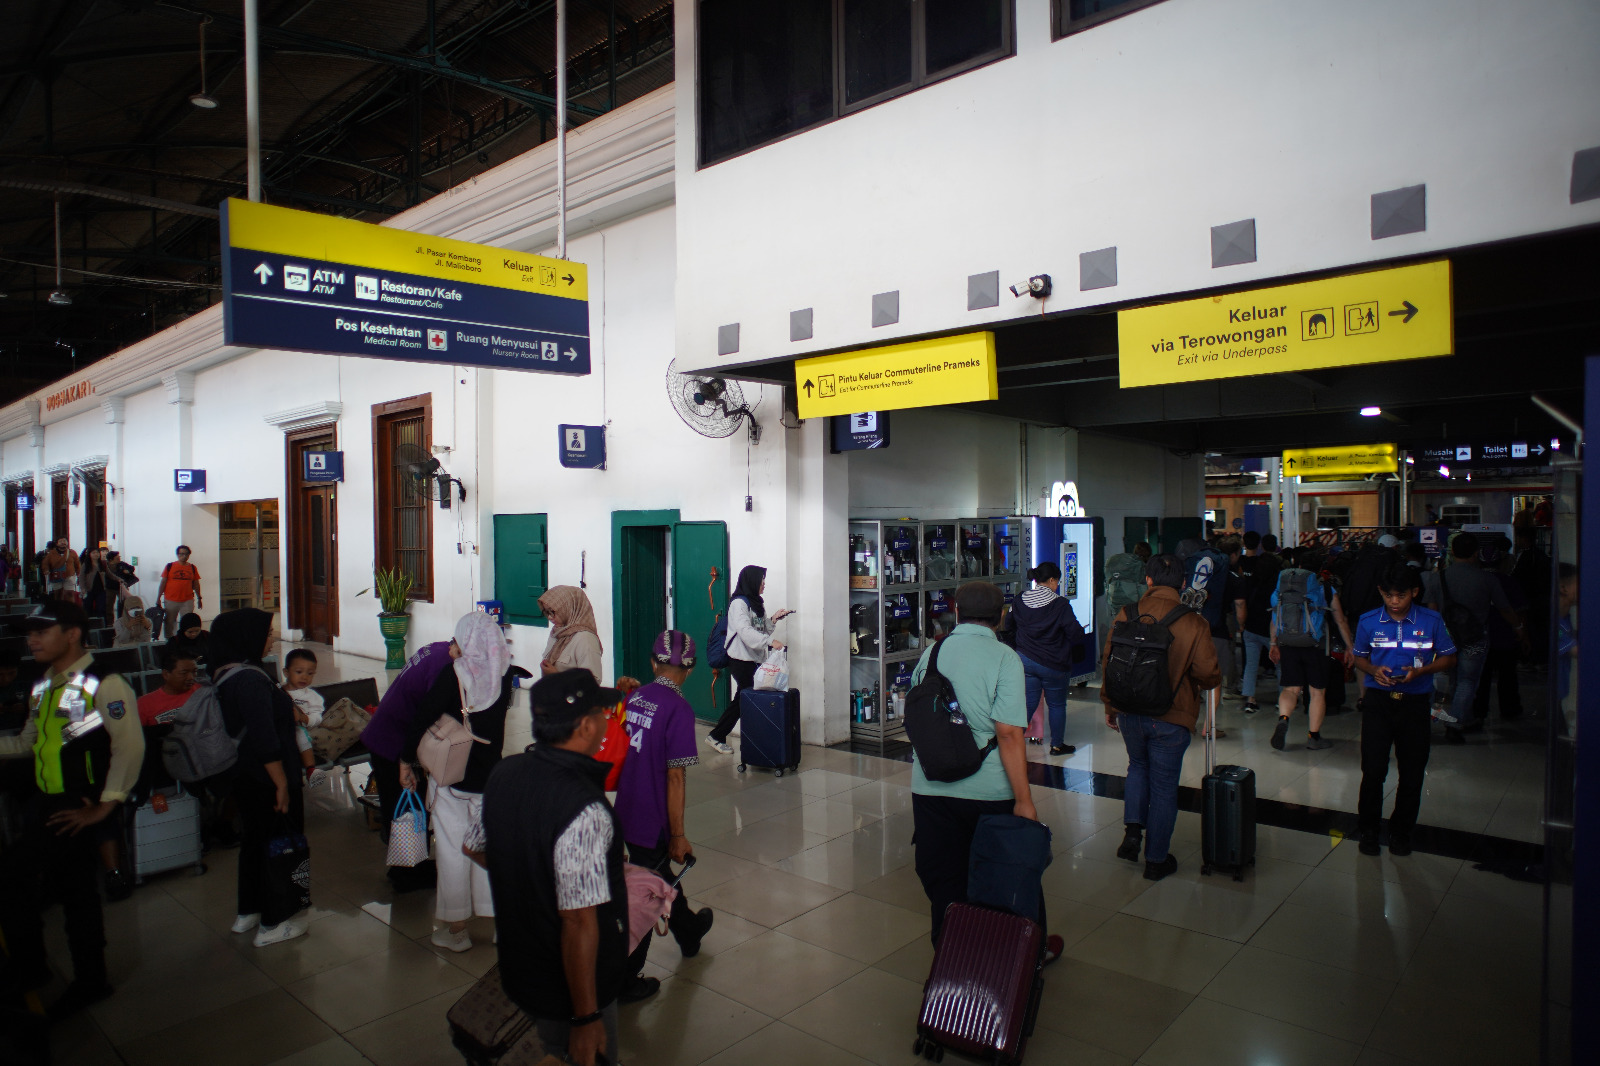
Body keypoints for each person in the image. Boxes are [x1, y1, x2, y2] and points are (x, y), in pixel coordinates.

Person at [0, 601, 142, 1017]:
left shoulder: (104, 683)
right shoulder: (44, 684)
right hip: (46, 801)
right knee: (75, 893)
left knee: (16, 882)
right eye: (30, 632)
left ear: (74, 634)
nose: (32, 640)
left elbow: (129, 747)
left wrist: (106, 806)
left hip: (74, 807)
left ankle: (38, 972)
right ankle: (86, 979)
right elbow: (30, 741)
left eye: (42, 631)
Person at [484, 668, 630, 1066]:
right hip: (569, 987)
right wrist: (586, 1018)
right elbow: (579, 922)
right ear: (585, 726)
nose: (606, 720)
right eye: (602, 713)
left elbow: (476, 845)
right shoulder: (584, 808)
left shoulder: (504, 773)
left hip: (520, 966)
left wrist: (531, 877)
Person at [909, 581, 1060, 963]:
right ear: (1002, 616)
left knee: (945, 882)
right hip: (989, 793)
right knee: (1008, 875)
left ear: (956, 613)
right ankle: (1022, 956)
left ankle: (951, 962)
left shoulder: (932, 652)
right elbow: (1009, 733)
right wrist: (1025, 800)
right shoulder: (1005, 658)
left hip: (931, 787)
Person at [1102, 554, 1220, 881]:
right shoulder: (1194, 622)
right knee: (1165, 787)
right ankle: (1155, 860)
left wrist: (1110, 706)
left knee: (1137, 767)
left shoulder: (1127, 613)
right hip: (1172, 716)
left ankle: (1133, 831)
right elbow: (1209, 674)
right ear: (1183, 583)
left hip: (1129, 711)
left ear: (1149, 581)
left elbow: (1109, 662)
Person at [409, 612, 519, 954]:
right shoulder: (506, 675)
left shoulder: (452, 675)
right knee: (491, 849)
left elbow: (421, 718)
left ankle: (456, 930)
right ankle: (503, 925)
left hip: (451, 776)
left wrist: (405, 760)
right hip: (490, 780)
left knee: (453, 848)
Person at [615, 630, 716, 993]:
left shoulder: (638, 695)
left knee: (658, 875)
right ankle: (626, 978)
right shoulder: (679, 709)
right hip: (653, 818)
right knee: (648, 891)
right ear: (690, 670)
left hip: (625, 808)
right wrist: (677, 834)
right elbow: (675, 776)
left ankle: (689, 931)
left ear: (653, 662)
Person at [212, 608, 308, 947]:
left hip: (245, 776)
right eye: (267, 632)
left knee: (254, 842)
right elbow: (265, 739)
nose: (272, 637)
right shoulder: (251, 680)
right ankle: (275, 921)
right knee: (279, 845)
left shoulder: (225, 672)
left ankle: (249, 911)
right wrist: (282, 783)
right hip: (268, 779)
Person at [1352, 564, 1457, 856]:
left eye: (1400, 595)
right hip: (1378, 703)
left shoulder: (1432, 620)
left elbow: (1449, 659)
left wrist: (1420, 673)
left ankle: (1401, 833)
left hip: (1414, 704)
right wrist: (1374, 669)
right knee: (1373, 771)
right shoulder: (1368, 621)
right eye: (1388, 595)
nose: (1394, 601)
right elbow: (1359, 658)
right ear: (1380, 593)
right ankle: (1369, 831)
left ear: (1414, 592)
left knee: (1412, 773)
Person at [360, 638, 458, 890]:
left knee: (411, 807)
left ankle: (414, 864)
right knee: (404, 808)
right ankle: (405, 874)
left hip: (388, 734)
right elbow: (431, 714)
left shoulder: (439, 648)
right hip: (391, 741)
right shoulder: (443, 666)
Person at [1434, 532, 1523, 740]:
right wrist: (1518, 627)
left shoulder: (1438, 577)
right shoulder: (1486, 579)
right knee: (1468, 680)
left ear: (1453, 552)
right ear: (1475, 553)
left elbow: (1432, 610)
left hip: (1447, 637)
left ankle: (1461, 717)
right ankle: (1456, 723)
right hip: (1475, 638)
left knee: (1455, 679)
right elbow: (1504, 608)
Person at [1268, 561, 1355, 752]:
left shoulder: (1281, 587)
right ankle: (1313, 737)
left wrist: (1273, 643)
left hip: (1288, 643)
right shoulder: (1325, 588)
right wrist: (1350, 646)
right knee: (1317, 692)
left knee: (1290, 689)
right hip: (1316, 645)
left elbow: (1275, 617)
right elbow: (1340, 619)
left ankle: (1283, 719)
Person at [705, 565, 792, 755]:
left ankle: (724, 736)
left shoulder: (756, 602)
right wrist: (770, 642)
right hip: (740, 659)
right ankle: (720, 735)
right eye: (761, 581)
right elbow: (745, 632)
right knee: (746, 697)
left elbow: (760, 630)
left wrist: (774, 620)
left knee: (745, 698)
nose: (764, 584)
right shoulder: (739, 604)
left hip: (753, 659)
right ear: (752, 581)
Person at [1008, 561, 1086, 756]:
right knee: (1057, 704)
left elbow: (1008, 625)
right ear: (1051, 580)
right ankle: (1057, 745)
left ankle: (1013, 744)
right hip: (1054, 664)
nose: (1057, 585)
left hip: (1025, 660)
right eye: (1057, 582)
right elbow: (1074, 633)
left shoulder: (1019, 599)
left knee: (1027, 703)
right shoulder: (1060, 604)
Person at [1471, 540, 1527, 724]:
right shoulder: (1509, 582)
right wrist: (1520, 630)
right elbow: (1518, 610)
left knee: (1481, 678)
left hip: (1479, 637)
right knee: (1508, 677)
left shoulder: (1475, 581)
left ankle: (1478, 712)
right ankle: (1510, 710)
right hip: (1505, 637)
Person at [1238, 531, 1281, 715]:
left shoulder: (1250, 584)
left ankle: (1250, 700)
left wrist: (1242, 625)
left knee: (1251, 665)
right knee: (1280, 665)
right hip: (1271, 632)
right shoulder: (1277, 588)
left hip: (1251, 628)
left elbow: (1243, 604)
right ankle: (1283, 698)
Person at [538, 585, 604, 680]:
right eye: (546, 612)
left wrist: (557, 676)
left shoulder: (585, 639)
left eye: (552, 612)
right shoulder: (557, 633)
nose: (549, 617)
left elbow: (592, 682)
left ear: (568, 609)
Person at [281, 649, 324, 781]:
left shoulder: (311, 697)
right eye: (299, 672)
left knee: (300, 734)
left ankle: (310, 768)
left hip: (301, 729)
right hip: (282, 729)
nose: (304, 677)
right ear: (286, 672)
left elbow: (317, 717)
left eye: (310, 673)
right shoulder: (279, 692)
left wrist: (305, 718)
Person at [137, 646, 199, 726]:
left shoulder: (204, 693)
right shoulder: (144, 704)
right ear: (166, 674)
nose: (191, 677)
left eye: (194, 671)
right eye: (184, 673)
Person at [157, 545, 203, 641]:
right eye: (182, 554)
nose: (184, 556)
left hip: (187, 600)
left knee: (187, 621)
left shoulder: (192, 568)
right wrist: (158, 598)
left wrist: (199, 598)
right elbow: (163, 582)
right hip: (171, 600)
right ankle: (169, 640)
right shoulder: (170, 566)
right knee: (169, 621)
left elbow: (196, 584)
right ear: (177, 555)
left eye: (186, 554)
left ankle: (184, 639)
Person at [79, 547, 114, 626]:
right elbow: (81, 577)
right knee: (88, 608)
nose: (96, 554)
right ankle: (87, 625)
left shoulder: (102, 564)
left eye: (97, 553)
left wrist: (119, 579)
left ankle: (102, 625)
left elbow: (109, 574)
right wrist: (83, 588)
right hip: (89, 589)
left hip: (101, 589)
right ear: (90, 555)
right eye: (93, 553)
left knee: (101, 608)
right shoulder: (86, 564)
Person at [43, 538, 80, 603]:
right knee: (58, 594)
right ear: (57, 543)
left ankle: (71, 609)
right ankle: (59, 609)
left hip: (69, 576)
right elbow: (45, 563)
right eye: (60, 541)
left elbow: (77, 563)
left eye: (65, 541)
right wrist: (46, 570)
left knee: (70, 594)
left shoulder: (72, 552)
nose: (63, 543)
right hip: (57, 576)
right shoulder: (52, 553)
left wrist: (78, 573)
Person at [106, 551, 138, 617]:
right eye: (117, 557)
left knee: (123, 603)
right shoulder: (106, 566)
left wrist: (128, 571)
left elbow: (132, 568)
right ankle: (109, 622)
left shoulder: (122, 564)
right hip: (109, 587)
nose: (119, 558)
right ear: (111, 559)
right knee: (108, 604)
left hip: (121, 587)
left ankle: (121, 618)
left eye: (119, 557)